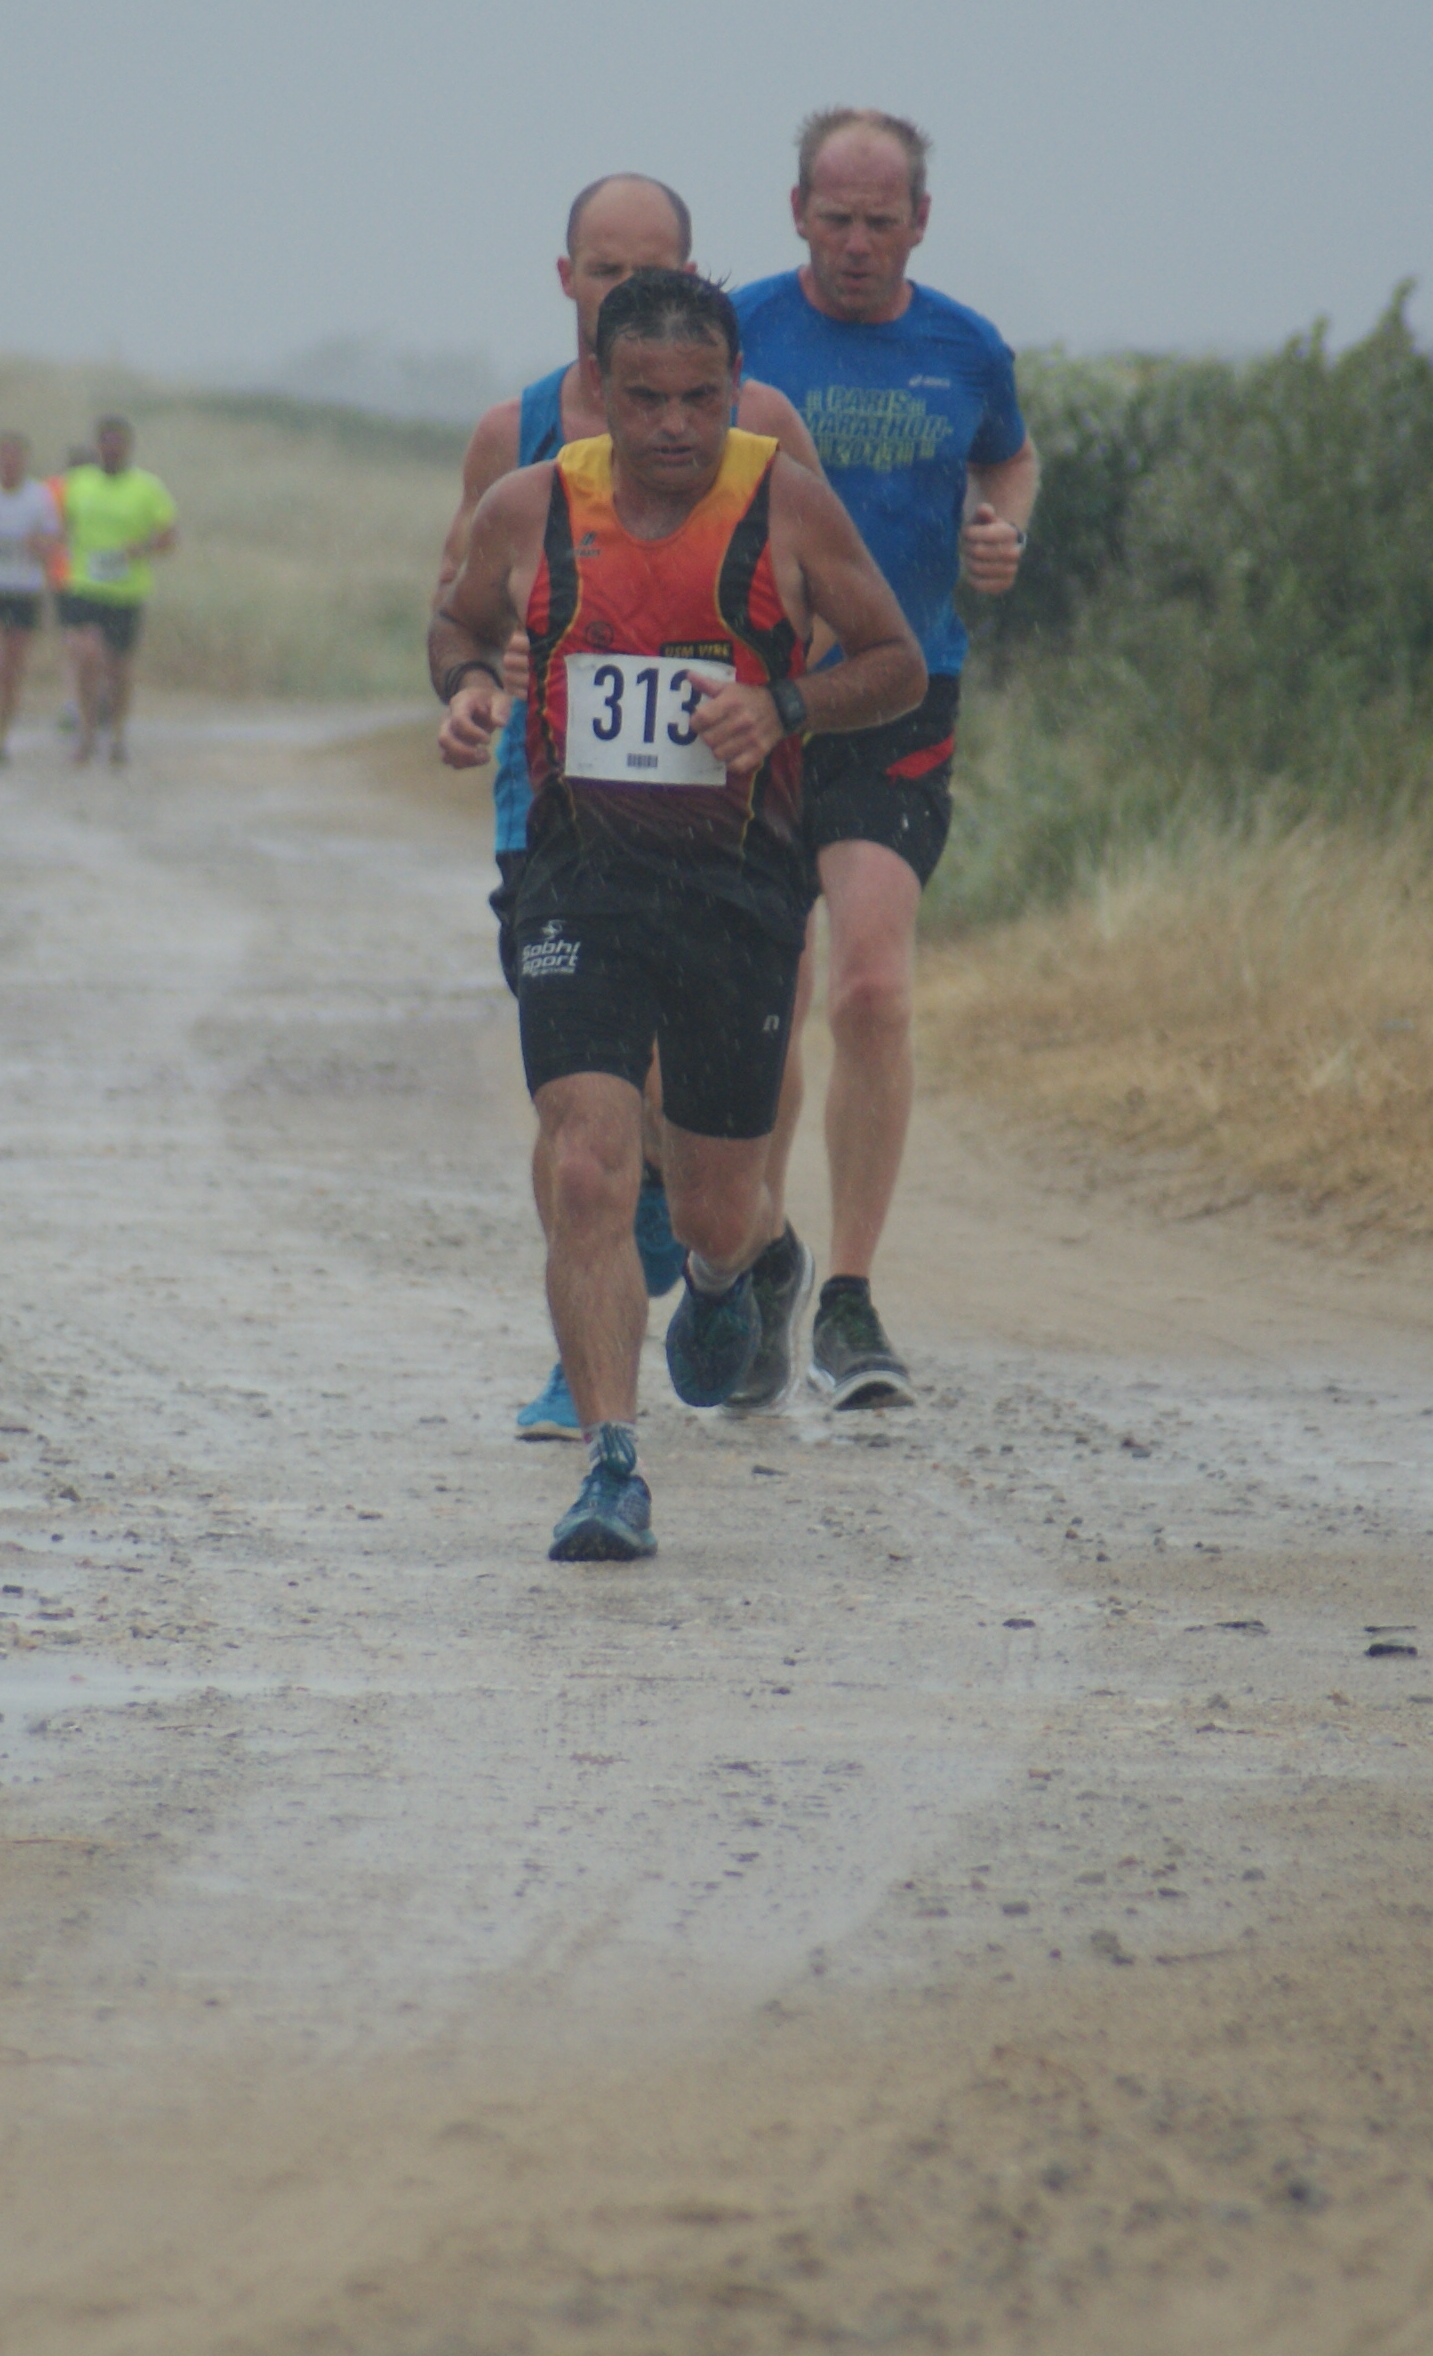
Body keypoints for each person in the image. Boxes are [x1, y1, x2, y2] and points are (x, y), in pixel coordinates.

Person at [429, 268, 922, 1562]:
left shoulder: (786, 502)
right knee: (586, 1165)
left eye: (701, 398)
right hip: (579, 879)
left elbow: (896, 662)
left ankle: (727, 1269)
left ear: (735, 387)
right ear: (598, 388)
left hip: (735, 888)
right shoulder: (530, 506)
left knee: (711, 1200)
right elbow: (457, 623)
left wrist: (786, 705)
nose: (673, 426)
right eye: (644, 398)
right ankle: (610, 1464)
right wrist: (470, 690)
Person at [435, 173, 827, 1442]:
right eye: (602, 269)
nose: (622, 288)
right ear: (567, 281)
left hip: (723, 825)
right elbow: (459, 597)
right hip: (549, 811)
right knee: (580, 1108)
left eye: (650, 268)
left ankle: (732, 1244)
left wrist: (772, 699)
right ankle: (583, 1361)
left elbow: (813, 603)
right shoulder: (512, 433)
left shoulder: (757, 425)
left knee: (676, 1111)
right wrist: (479, 682)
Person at [735, 109, 1037, 1410]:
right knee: (762, 1005)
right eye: (835, 219)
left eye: (879, 221)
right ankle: (757, 1264)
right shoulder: (737, 332)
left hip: (901, 695)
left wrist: (999, 532)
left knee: (867, 989)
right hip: (752, 703)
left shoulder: (966, 348)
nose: (856, 245)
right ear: (795, 212)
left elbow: (1007, 459)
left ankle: (850, 1300)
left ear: (920, 222)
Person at [57, 417, 176, 768]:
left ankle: (118, 734)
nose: (111, 450)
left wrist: (143, 548)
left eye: (117, 444)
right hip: (85, 585)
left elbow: (169, 538)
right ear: (97, 446)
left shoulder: (147, 488)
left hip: (126, 592)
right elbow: (59, 525)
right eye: (105, 443)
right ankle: (87, 732)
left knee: (119, 668)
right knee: (86, 655)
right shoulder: (78, 482)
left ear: (128, 447)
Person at [0, 429, 62, 766]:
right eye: (3, 457)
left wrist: (39, 546)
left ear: (24, 461)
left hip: (23, 590)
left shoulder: (39, 497)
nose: (9, 463)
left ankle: (2, 739)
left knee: (12, 672)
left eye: (15, 458)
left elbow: (54, 540)